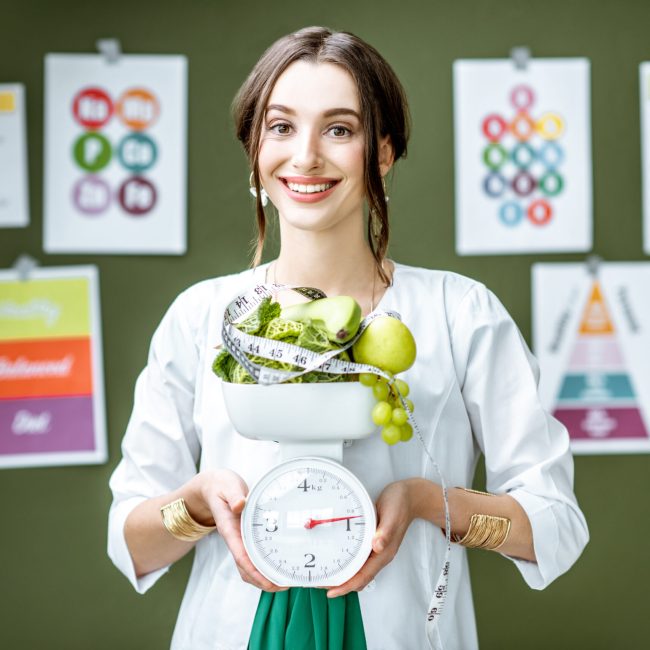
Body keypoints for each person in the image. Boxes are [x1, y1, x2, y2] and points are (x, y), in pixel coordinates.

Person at [108, 26, 589, 650]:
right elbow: (131, 543)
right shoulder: (201, 316)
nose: (305, 156)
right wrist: (198, 505)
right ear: (255, 148)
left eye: (339, 129)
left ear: (383, 153)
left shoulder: (460, 313)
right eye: (281, 127)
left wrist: (427, 502)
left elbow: (556, 526)